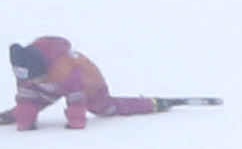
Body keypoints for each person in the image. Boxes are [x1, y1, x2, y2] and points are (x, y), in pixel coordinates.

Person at [9, 34, 168, 129]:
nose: (35, 81)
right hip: (51, 84)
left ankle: (150, 104)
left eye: (38, 78)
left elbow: (76, 98)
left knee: (105, 108)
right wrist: (24, 116)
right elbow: (26, 93)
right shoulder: (25, 67)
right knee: (30, 103)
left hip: (88, 84)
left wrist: (76, 120)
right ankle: (11, 116)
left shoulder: (66, 69)